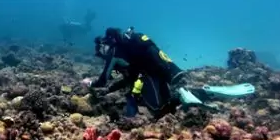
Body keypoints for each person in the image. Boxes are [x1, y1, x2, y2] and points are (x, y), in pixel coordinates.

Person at [82, 27, 216, 119]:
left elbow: (103, 80)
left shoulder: (114, 52)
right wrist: (109, 90)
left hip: (148, 75)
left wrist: (90, 83)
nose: (103, 57)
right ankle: (201, 92)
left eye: (100, 53)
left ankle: (184, 94)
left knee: (156, 109)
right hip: (155, 71)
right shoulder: (125, 51)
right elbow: (128, 79)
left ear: (103, 45)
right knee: (166, 106)